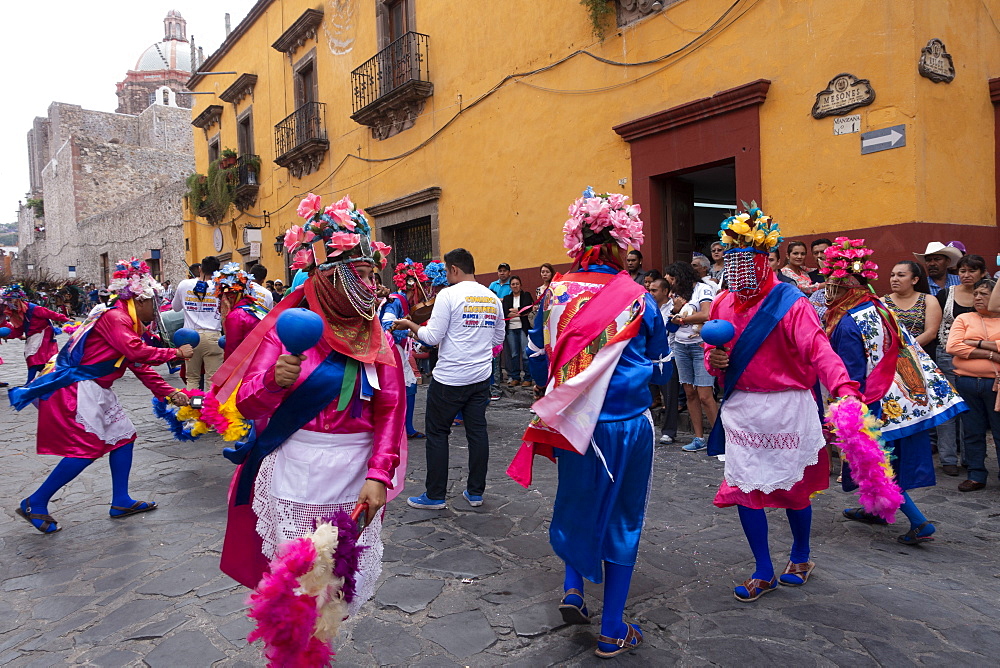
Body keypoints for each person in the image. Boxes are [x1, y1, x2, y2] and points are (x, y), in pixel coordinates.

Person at [214, 193, 402, 615]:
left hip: (356, 475)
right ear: (331, 278)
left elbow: (390, 409)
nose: (373, 288)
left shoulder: (378, 337)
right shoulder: (286, 331)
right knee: (299, 582)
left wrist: (379, 474)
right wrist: (273, 381)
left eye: (374, 276)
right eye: (362, 276)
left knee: (338, 585)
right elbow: (247, 404)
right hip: (297, 473)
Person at [507, 187, 668, 658]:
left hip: (570, 420)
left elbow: (537, 359)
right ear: (621, 243)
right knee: (623, 516)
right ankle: (613, 626)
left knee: (575, 498)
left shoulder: (553, 292)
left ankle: (573, 588)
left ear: (578, 239)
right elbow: (660, 365)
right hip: (624, 423)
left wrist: (560, 384)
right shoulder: (639, 297)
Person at [706, 208, 861, 602]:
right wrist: (714, 360)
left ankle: (801, 555)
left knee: (794, 489)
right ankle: (762, 569)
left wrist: (843, 387)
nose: (738, 271)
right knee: (742, 487)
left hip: (788, 406)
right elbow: (713, 351)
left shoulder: (791, 303)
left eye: (747, 262)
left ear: (765, 260)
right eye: (732, 261)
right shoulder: (722, 303)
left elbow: (818, 349)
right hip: (743, 406)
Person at [9, 259, 193, 533]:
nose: (154, 310)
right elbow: (136, 353)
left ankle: (120, 500)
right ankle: (35, 502)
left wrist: (170, 392)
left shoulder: (122, 320)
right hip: (77, 387)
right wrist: (175, 353)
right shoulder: (116, 318)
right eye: (151, 303)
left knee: (123, 437)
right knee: (87, 448)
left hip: (93, 387)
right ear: (138, 300)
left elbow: (138, 365)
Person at [822, 238, 960, 545]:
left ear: (851, 289)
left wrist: (843, 406)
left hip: (870, 401)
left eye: (837, 287)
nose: (830, 292)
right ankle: (876, 510)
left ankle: (919, 522)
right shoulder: (878, 306)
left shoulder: (847, 323)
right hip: (895, 397)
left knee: (875, 465)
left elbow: (850, 372)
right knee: (882, 461)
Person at [395, 248, 505, 509]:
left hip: (450, 378)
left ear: (454, 269)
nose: (445, 275)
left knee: (437, 433)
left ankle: (435, 495)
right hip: (480, 377)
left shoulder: (448, 294)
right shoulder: (492, 298)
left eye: (446, 271)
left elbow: (432, 337)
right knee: (477, 433)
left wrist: (411, 326)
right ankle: (475, 492)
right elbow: (498, 340)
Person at [946, 278, 1000, 492]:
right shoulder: (964, 318)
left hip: (995, 386)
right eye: (975, 293)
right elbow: (953, 346)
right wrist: (992, 353)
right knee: (972, 430)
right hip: (967, 383)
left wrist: (974, 342)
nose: (978, 297)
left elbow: (963, 345)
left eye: (984, 294)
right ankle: (976, 474)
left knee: (999, 431)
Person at [935, 254, 986, 475]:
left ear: (982, 273)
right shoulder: (946, 294)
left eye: (972, 271)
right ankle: (948, 458)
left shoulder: (988, 295)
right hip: (947, 354)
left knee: (972, 408)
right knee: (947, 406)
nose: (966, 275)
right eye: (963, 271)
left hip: (979, 357)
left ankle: (970, 458)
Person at [663, 262, 717, 452]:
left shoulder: (702, 289)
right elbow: (671, 324)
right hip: (680, 346)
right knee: (689, 393)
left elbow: (707, 314)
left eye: (672, 280)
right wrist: (676, 312)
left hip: (700, 345)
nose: (671, 285)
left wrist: (683, 317)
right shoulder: (676, 295)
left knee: (705, 395)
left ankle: (720, 438)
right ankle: (699, 438)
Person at [0, 283, 71, 383]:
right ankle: (46, 378)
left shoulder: (33, 309)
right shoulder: (16, 313)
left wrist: (66, 319)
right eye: (8, 300)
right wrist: (8, 335)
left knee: (33, 357)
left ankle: (31, 381)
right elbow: (19, 329)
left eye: (11, 300)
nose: (9, 303)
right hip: (32, 336)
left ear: (17, 299)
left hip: (43, 334)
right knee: (35, 358)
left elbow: (50, 314)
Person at [172, 256, 223, 390]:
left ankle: (192, 409)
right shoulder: (222, 287)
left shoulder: (184, 284)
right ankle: (211, 409)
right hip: (213, 336)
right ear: (218, 271)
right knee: (213, 379)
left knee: (192, 378)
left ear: (200, 269)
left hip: (190, 337)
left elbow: (175, 307)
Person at [212, 263, 269, 361]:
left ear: (229, 297)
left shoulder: (235, 316)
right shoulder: (254, 307)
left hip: (248, 362)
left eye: (221, 298)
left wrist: (227, 373)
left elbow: (232, 350)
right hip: (263, 357)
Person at [883, 261, 942, 356]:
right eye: (892, 275)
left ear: (914, 280)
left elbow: (931, 333)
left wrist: (906, 349)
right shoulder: (882, 302)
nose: (894, 279)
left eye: (901, 275)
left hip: (922, 355)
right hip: (890, 355)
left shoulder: (928, 300)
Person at [649, 277, 680, 444]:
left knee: (669, 394)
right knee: (650, 393)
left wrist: (675, 312)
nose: (650, 293)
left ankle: (669, 431)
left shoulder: (674, 306)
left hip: (669, 355)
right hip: (649, 355)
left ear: (665, 292)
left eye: (654, 290)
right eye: (650, 290)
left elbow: (673, 328)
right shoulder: (648, 306)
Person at [502, 275, 534, 386]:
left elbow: (528, 307)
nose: (515, 286)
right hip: (511, 329)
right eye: (513, 284)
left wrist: (516, 311)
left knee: (525, 354)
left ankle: (528, 378)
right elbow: (505, 311)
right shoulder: (507, 298)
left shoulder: (526, 295)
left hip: (523, 329)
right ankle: (515, 377)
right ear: (510, 286)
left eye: (517, 284)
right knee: (514, 354)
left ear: (520, 285)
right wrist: (520, 311)